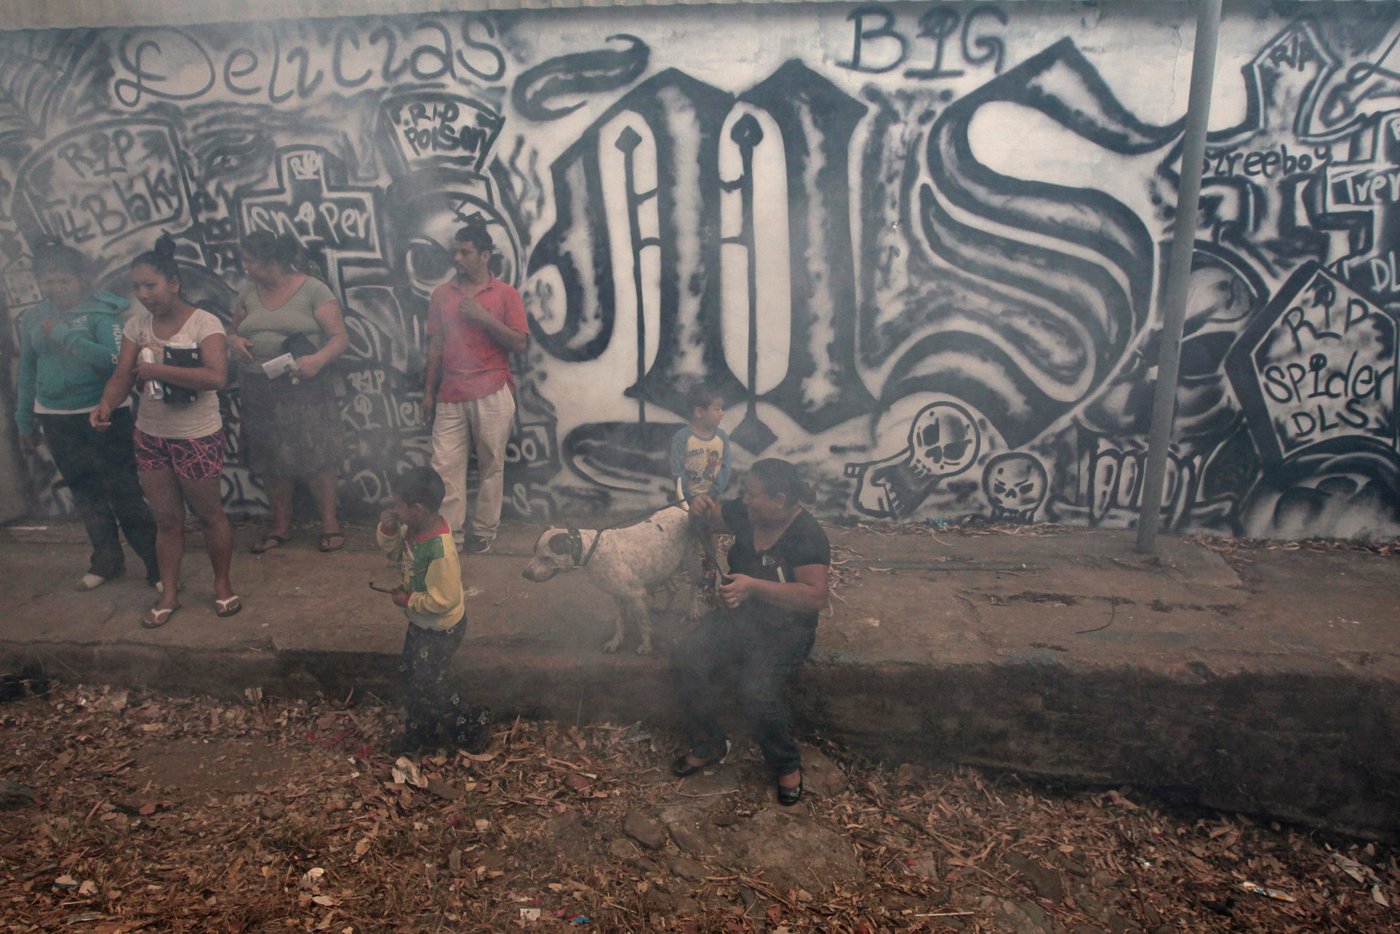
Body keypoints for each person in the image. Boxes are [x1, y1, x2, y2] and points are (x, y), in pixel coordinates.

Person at [91, 235, 240, 628]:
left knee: (209, 516)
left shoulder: (205, 323)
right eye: (137, 287)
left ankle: (222, 586)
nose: (143, 294)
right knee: (167, 520)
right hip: (151, 435)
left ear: (173, 282)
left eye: (150, 285)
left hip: (197, 435)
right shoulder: (137, 325)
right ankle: (170, 593)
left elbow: (217, 377)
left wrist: (160, 370)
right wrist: (107, 403)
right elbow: (122, 375)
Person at [671, 458, 830, 806]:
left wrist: (754, 587)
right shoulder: (749, 514)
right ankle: (709, 744)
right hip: (739, 616)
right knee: (688, 658)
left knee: (755, 691)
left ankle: (786, 764)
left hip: (787, 630)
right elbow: (709, 518)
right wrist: (699, 504)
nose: (743, 500)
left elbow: (815, 596)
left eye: (751, 494)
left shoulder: (807, 534)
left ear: (780, 499)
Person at [14, 238, 159, 592]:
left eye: (64, 280)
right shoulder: (34, 317)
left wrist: (65, 335)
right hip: (56, 417)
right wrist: (24, 420)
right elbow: (28, 370)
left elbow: (115, 361)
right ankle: (106, 560)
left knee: (124, 491)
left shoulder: (106, 312)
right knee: (85, 491)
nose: (56, 288)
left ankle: (156, 566)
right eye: (48, 282)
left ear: (81, 278)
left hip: (104, 414)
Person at [227, 231, 349, 554]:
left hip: (303, 386)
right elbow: (232, 329)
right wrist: (234, 341)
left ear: (272, 262)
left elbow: (339, 338)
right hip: (258, 387)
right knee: (270, 458)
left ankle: (329, 524)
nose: (246, 267)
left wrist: (318, 360)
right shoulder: (248, 293)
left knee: (318, 455)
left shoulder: (312, 289)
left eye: (250, 261)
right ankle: (280, 525)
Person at [421, 225, 528, 554]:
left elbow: (520, 344)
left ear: (485, 255)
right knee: (444, 466)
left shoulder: (505, 294)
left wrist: (484, 318)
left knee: (491, 465)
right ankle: (449, 536)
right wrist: (428, 392)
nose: (457, 258)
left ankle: (483, 531)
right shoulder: (442, 294)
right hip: (451, 392)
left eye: (465, 252)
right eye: (455, 251)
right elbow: (436, 347)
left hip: (493, 389)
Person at [376, 466, 490, 756]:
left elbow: (445, 599)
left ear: (417, 508)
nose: (394, 509)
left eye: (398, 505)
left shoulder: (440, 549)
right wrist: (389, 529)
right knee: (412, 676)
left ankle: (473, 723)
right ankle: (420, 733)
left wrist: (408, 600)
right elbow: (393, 553)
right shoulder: (412, 529)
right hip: (421, 622)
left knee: (430, 685)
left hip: (441, 628)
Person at [670, 383, 732, 502]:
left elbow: (725, 467)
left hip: (713, 499)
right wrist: (690, 497)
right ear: (699, 412)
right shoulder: (682, 438)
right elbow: (677, 472)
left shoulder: (722, 437)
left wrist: (713, 493)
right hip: (686, 500)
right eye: (717, 409)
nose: (722, 413)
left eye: (722, 409)